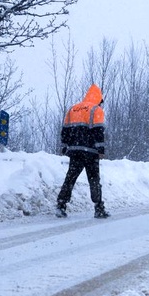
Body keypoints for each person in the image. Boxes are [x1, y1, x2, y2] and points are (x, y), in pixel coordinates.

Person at [57, 84, 110, 219]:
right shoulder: (95, 109)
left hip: (74, 151)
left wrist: (65, 146)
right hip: (90, 152)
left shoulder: (73, 109)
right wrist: (100, 149)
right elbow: (98, 131)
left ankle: (61, 205)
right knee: (94, 179)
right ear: (99, 98)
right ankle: (99, 208)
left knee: (70, 178)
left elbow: (65, 130)